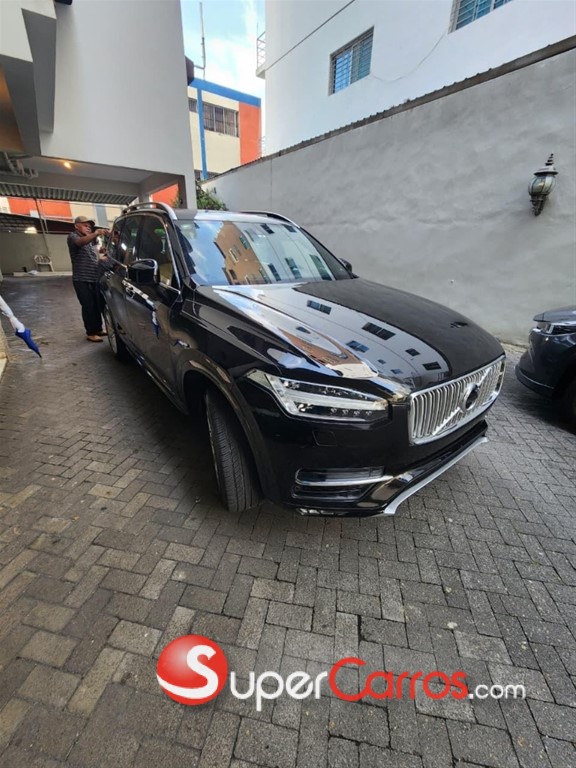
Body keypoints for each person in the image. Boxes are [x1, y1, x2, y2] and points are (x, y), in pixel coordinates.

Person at [67, 216, 110, 342]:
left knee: (96, 304)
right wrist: (96, 233)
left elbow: (93, 255)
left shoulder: (89, 242)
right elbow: (80, 243)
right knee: (88, 306)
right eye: (85, 225)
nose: (88, 228)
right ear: (77, 226)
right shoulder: (73, 236)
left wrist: (102, 253)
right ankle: (91, 332)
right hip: (82, 279)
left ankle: (98, 329)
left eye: (89, 226)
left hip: (93, 278)